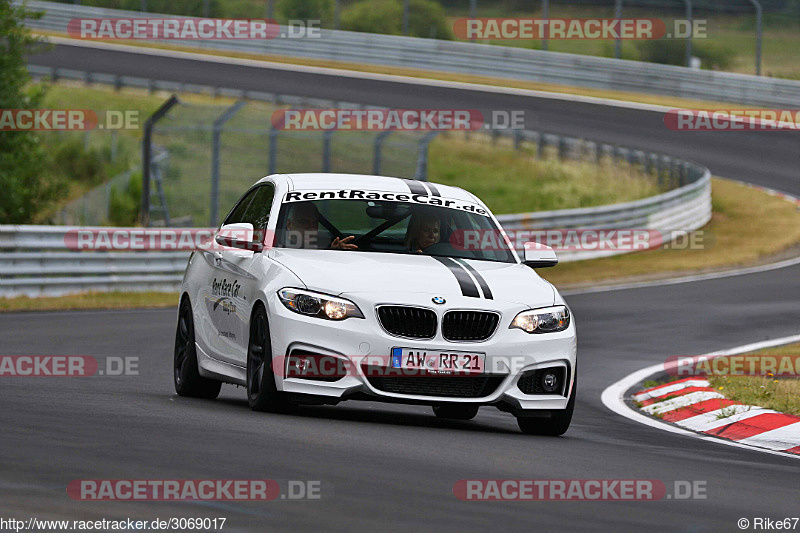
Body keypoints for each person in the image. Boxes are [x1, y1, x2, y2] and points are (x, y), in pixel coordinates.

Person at [285, 202, 358, 250]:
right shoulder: (277, 246)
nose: (311, 227)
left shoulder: (322, 245)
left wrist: (334, 252)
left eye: (314, 222)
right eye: (304, 222)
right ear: (289, 224)